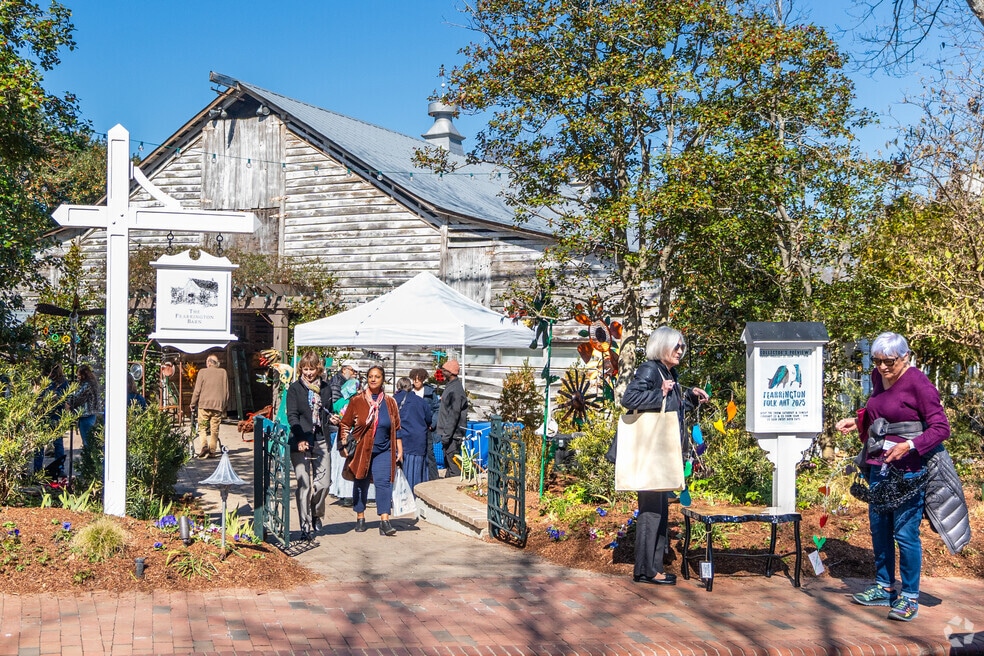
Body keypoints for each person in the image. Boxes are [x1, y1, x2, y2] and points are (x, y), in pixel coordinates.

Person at [835, 332, 950, 622]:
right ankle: (884, 587)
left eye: (889, 361)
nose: (883, 367)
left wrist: (910, 445)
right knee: (879, 527)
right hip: (879, 464)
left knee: (905, 533)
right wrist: (858, 419)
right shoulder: (877, 377)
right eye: (877, 361)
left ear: (905, 357)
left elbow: (941, 428)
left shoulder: (919, 383)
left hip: (910, 470)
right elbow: (878, 411)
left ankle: (909, 596)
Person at [621, 326, 709, 586]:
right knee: (651, 512)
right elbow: (630, 398)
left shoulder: (668, 371)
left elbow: (671, 409)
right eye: (676, 346)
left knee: (659, 510)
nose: (680, 350)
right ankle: (647, 570)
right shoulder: (651, 369)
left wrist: (690, 396)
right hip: (650, 453)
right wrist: (660, 391)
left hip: (661, 453)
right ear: (662, 347)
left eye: (682, 346)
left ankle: (651, 568)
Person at [339, 364, 402, 536]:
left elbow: (396, 427)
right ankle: (360, 516)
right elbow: (345, 423)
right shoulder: (357, 401)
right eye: (370, 376)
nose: (373, 379)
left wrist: (399, 449)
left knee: (383, 482)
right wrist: (344, 443)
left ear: (383, 380)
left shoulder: (390, 403)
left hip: (384, 450)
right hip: (361, 449)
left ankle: (385, 521)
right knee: (361, 481)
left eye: (377, 376)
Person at [286, 351, 332, 541]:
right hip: (300, 440)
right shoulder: (295, 389)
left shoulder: (326, 388)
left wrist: (333, 418)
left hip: (321, 439)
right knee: (304, 484)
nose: (308, 373)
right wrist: (299, 438)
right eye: (305, 369)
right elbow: (292, 415)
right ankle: (304, 525)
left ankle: (316, 513)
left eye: (312, 369)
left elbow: (327, 413)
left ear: (318, 369)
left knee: (324, 483)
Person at [327, 361, 359, 505]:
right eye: (353, 371)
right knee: (344, 460)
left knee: (340, 461)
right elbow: (336, 405)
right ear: (345, 369)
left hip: (342, 430)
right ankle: (345, 493)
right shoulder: (337, 383)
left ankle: (341, 491)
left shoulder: (344, 387)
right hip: (340, 429)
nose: (354, 374)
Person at [394, 375, 433, 493]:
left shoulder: (393, 400)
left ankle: (397, 495)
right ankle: (414, 495)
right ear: (410, 387)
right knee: (416, 471)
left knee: (399, 469)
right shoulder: (420, 401)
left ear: (398, 387)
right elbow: (429, 418)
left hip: (399, 440)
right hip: (418, 440)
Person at [189, 354, 230, 458]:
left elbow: (197, 390)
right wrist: (224, 406)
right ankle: (212, 451)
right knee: (214, 429)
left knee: (202, 427)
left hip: (204, 405)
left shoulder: (202, 372)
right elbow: (227, 392)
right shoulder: (223, 372)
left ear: (209, 363)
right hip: (217, 406)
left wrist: (193, 403)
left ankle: (204, 446)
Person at [34, 365, 69, 476]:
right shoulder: (44, 381)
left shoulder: (62, 382)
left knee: (56, 443)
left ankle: (58, 469)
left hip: (54, 415)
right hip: (45, 415)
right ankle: (38, 470)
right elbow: (37, 397)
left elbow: (66, 399)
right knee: (41, 444)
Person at [435, 359, 467, 477]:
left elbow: (453, 415)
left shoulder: (456, 391)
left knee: (454, 468)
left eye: (444, 370)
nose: (442, 372)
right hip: (450, 435)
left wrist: (446, 436)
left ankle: (455, 492)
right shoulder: (451, 387)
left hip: (453, 436)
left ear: (450, 372)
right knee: (450, 465)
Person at [409, 367, 441, 480]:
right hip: (412, 429)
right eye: (414, 379)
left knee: (430, 453)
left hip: (427, 427)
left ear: (423, 379)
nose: (416, 381)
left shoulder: (429, 392)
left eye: (419, 379)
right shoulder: (409, 392)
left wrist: (433, 424)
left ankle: (434, 478)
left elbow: (437, 409)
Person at [69, 364, 101, 450]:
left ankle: (89, 460)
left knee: (87, 442)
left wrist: (68, 400)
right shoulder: (94, 383)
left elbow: (77, 398)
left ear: (83, 375)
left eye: (79, 375)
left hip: (86, 415)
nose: (78, 377)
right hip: (92, 414)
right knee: (90, 440)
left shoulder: (86, 385)